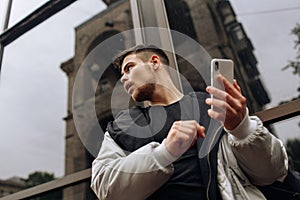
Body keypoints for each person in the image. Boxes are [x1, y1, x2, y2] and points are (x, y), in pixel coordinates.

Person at [90, 44, 288, 200]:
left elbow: (271, 172)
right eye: (122, 74)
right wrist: (164, 152)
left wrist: (242, 128)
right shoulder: (122, 126)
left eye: (129, 68)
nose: (123, 79)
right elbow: (104, 188)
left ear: (155, 62)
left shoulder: (212, 105)